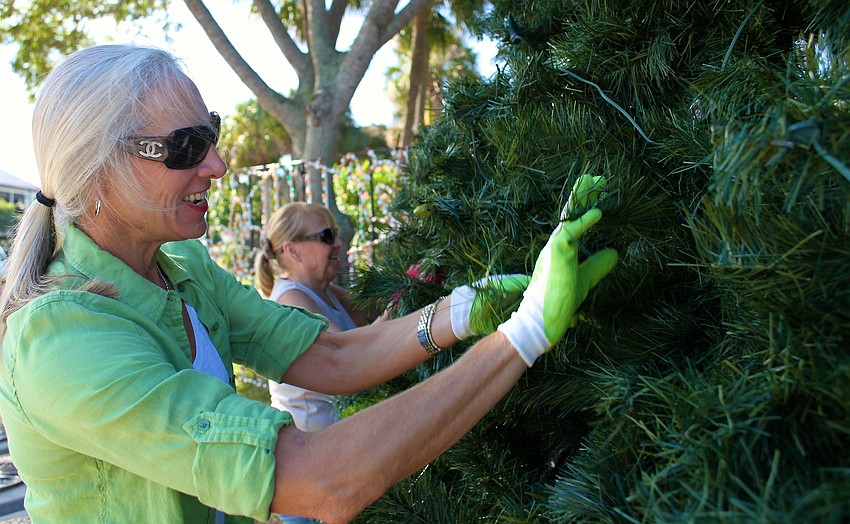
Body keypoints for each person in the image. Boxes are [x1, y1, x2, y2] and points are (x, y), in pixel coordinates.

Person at [0, 43, 618, 524]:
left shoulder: (182, 272)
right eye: (186, 147)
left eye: (210, 134)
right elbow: (325, 480)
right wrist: (524, 334)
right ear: (97, 171)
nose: (216, 164)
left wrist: (465, 310)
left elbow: (328, 353)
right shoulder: (63, 337)